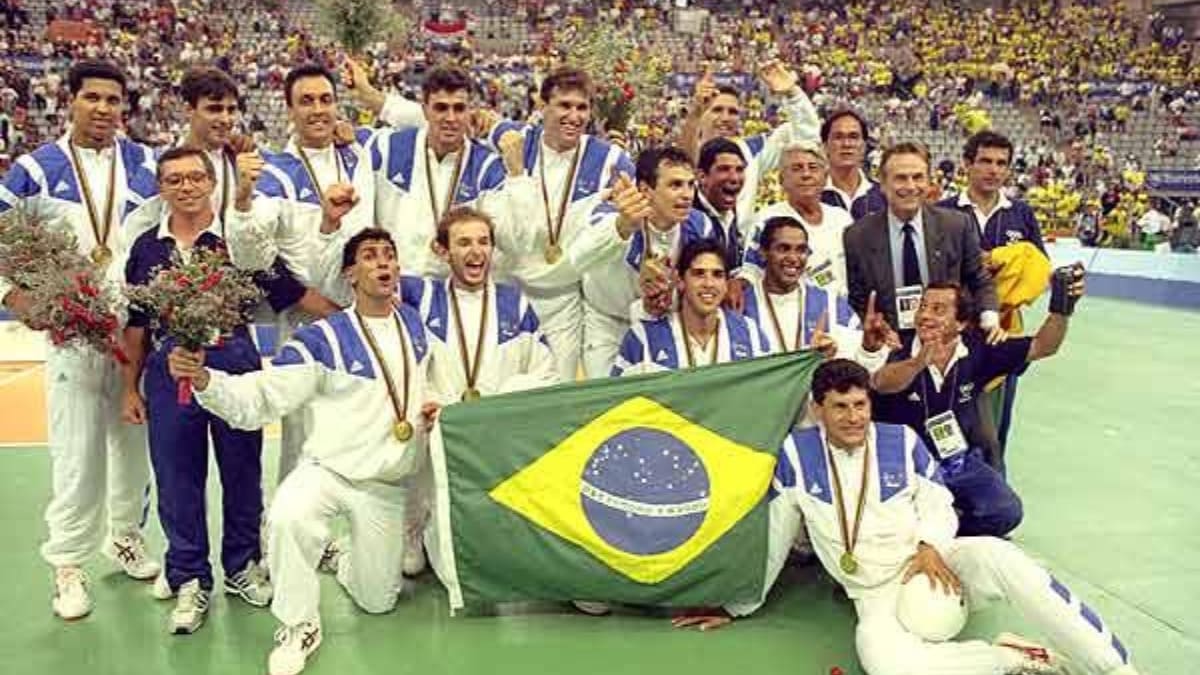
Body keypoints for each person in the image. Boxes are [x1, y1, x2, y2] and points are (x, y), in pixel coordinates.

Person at [166, 228, 437, 675]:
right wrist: (204, 381)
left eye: (390, 255)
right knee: (288, 516)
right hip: (326, 470)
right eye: (370, 256)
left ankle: (342, 558)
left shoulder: (416, 326)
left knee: (378, 603)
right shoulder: (322, 339)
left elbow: (437, 382)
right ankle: (298, 624)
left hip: (384, 484)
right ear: (351, 273)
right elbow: (264, 396)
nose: (383, 263)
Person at [765, 359, 1140, 675]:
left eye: (860, 405)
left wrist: (930, 546)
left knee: (1001, 556)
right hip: (874, 593)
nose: (853, 418)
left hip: (936, 560)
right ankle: (1009, 657)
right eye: (840, 407)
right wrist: (738, 603)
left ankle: (1114, 666)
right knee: (886, 665)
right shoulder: (796, 456)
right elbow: (777, 533)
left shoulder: (902, 441)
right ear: (817, 410)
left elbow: (938, 502)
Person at [121, 147, 314, 633]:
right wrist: (130, 387)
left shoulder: (239, 238)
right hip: (170, 371)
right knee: (176, 477)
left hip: (234, 361)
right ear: (161, 188)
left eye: (194, 178)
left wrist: (356, 312)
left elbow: (287, 292)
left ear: (211, 182)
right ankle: (188, 578)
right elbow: (138, 325)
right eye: (174, 180)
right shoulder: (146, 248)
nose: (185, 187)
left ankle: (242, 566)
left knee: (242, 472)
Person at [0, 59, 160, 620]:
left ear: (125, 108)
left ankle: (125, 536)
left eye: (113, 100)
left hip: (136, 332)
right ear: (70, 101)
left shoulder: (146, 165)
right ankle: (67, 563)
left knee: (134, 451)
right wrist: (10, 293)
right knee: (77, 456)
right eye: (92, 97)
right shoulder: (35, 169)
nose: (103, 108)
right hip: (72, 333)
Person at [398, 206, 559, 577]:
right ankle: (414, 526)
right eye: (464, 242)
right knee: (423, 566)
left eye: (484, 242)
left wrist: (498, 407)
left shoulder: (514, 303)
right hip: (440, 435)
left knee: (489, 562)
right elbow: (406, 368)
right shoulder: (422, 300)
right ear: (443, 251)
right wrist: (431, 404)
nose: (476, 251)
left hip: (495, 438)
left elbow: (545, 373)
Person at [870, 275, 1084, 537]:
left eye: (938, 310)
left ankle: (949, 535)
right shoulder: (896, 344)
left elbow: (1043, 346)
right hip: (904, 464)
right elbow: (881, 383)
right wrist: (917, 363)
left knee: (1006, 511)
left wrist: (1061, 309)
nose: (925, 315)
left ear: (961, 323)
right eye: (923, 306)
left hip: (956, 460)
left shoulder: (979, 347)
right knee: (889, 525)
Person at [937, 131, 1047, 472]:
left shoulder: (1022, 215)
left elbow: (1039, 271)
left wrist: (1003, 260)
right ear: (967, 164)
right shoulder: (942, 212)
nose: (993, 170)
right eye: (985, 161)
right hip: (950, 336)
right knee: (947, 420)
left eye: (1001, 163)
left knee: (994, 429)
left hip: (1002, 334)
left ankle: (992, 495)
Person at [365, 65, 533, 279]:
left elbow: (515, 243)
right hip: (395, 288)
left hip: (451, 294)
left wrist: (517, 175)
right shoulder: (387, 148)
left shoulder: (486, 167)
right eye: (441, 108)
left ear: (471, 111)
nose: (451, 118)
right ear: (424, 109)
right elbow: (340, 142)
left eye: (459, 108)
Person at [572, 146, 717, 377]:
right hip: (610, 326)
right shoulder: (609, 215)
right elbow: (577, 259)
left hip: (663, 322)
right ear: (645, 190)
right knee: (609, 400)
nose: (687, 195)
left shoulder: (700, 226)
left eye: (691, 185)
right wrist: (622, 226)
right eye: (675, 185)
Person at [843, 142, 1001, 343]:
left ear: (928, 181)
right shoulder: (857, 236)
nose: (910, 186)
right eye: (901, 178)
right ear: (882, 183)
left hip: (946, 341)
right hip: (889, 343)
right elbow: (857, 298)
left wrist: (989, 319)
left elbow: (979, 279)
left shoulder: (957, 225)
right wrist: (876, 328)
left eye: (918, 177)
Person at [739, 216, 890, 370]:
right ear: (763, 253)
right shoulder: (742, 304)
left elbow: (863, 366)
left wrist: (868, 349)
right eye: (783, 249)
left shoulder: (831, 304)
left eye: (801, 250)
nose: (793, 258)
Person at [680, 60, 821, 218]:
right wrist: (695, 113)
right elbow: (685, 165)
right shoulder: (690, 146)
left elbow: (807, 136)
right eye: (717, 110)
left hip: (738, 240)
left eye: (733, 112)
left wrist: (792, 93)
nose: (725, 118)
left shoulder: (752, 150)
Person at [611, 239, 768, 377]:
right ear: (680, 280)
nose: (709, 283)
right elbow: (617, 398)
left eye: (717, 275)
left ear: (727, 283)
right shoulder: (643, 337)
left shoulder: (750, 332)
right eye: (699, 274)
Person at [742, 139, 855, 296]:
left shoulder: (842, 219)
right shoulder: (766, 219)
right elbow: (750, 273)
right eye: (797, 168)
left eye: (813, 168)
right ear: (781, 180)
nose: (806, 174)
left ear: (825, 177)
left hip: (844, 313)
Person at [820, 109, 887, 219]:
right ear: (825, 146)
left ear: (864, 146)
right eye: (838, 137)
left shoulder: (884, 195)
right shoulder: (813, 195)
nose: (846, 144)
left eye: (853, 137)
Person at [691, 137, 747, 270]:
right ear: (702, 176)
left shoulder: (731, 215)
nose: (734, 178)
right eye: (724, 169)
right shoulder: (689, 219)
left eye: (739, 169)